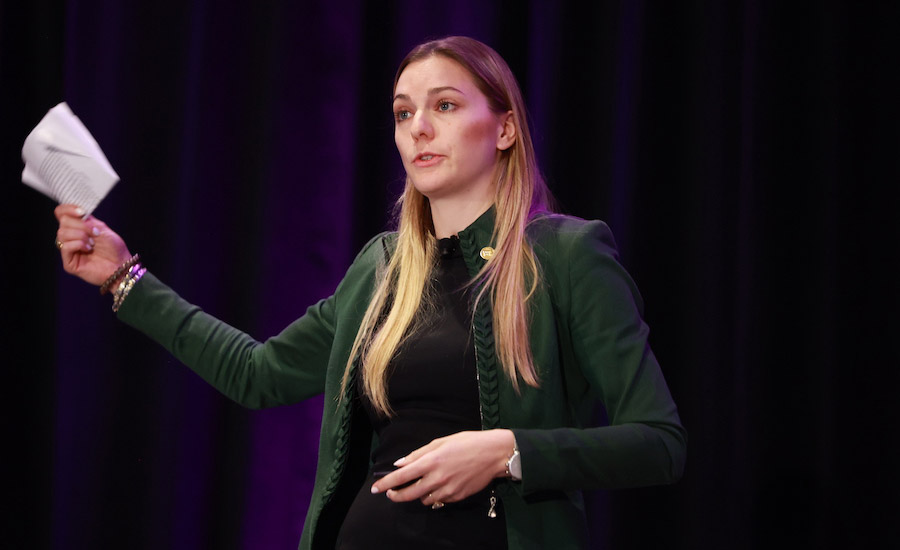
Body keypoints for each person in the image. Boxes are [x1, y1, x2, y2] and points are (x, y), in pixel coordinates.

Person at [54, 36, 686, 549]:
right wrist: (122, 278)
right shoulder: (381, 270)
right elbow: (259, 373)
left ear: (504, 130)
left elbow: (658, 443)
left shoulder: (566, 256)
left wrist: (508, 451)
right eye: (403, 112)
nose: (418, 129)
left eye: (444, 106)